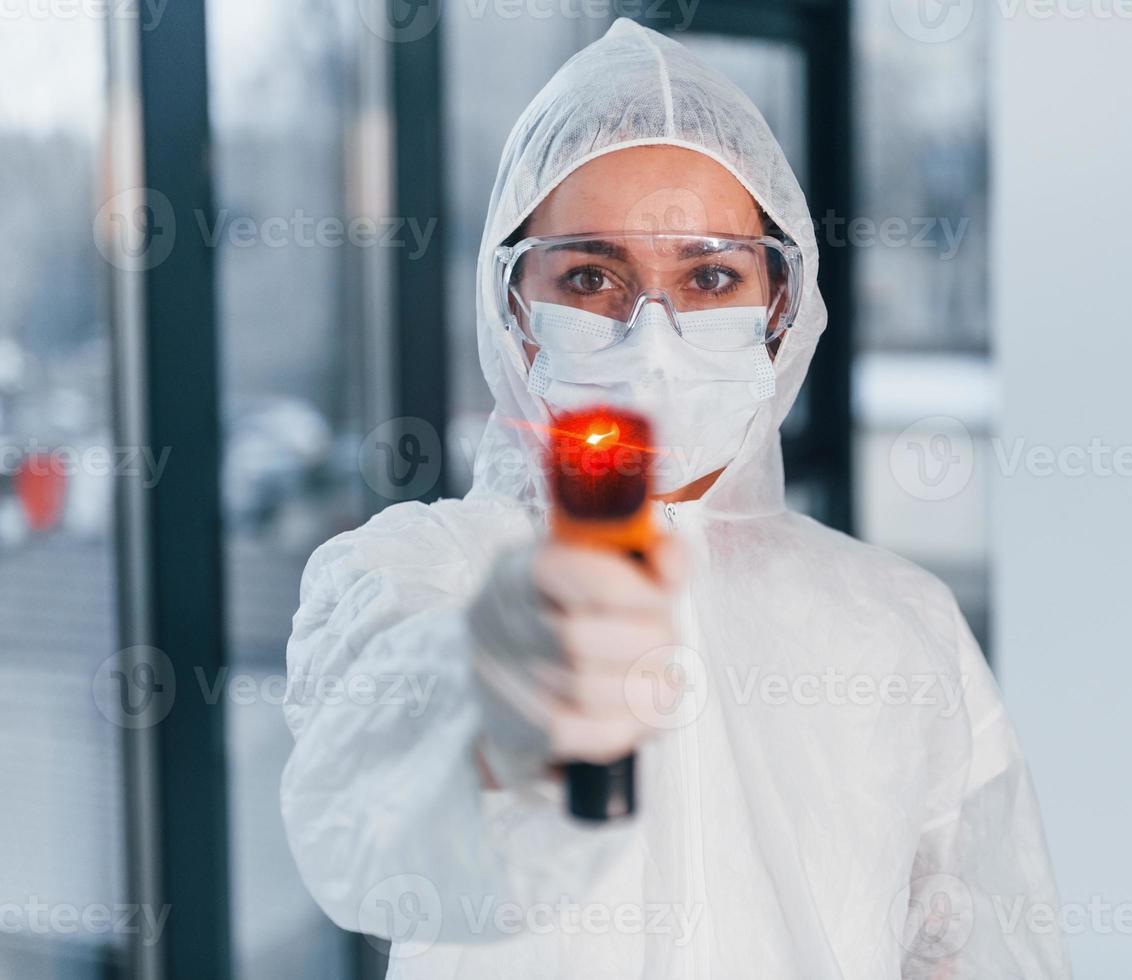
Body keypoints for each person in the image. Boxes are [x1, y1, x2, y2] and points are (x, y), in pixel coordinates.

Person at [281, 18, 1069, 979]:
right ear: (513, 308)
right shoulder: (410, 574)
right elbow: (375, 815)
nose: (651, 333)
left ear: (781, 307)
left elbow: (982, 950)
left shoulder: (900, 626)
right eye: (591, 276)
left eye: (709, 276)